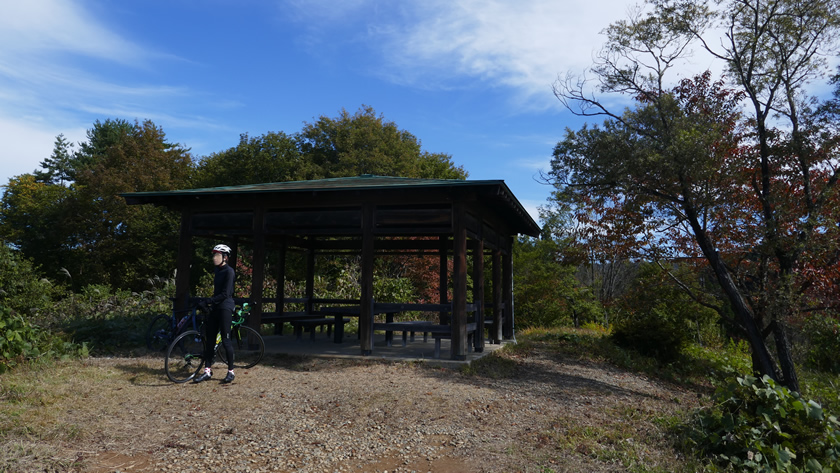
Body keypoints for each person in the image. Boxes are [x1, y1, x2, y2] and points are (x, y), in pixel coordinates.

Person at [194, 244, 236, 384]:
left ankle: (231, 371)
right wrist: (208, 302)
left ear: (225, 257)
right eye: (214, 255)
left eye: (217, 255)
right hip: (216, 307)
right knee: (210, 339)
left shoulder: (229, 272)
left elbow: (225, 293)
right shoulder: (217, 271)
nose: (214, 258)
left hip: (225, 307)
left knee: (226, 339)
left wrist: (209, 301)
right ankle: (207, 371)